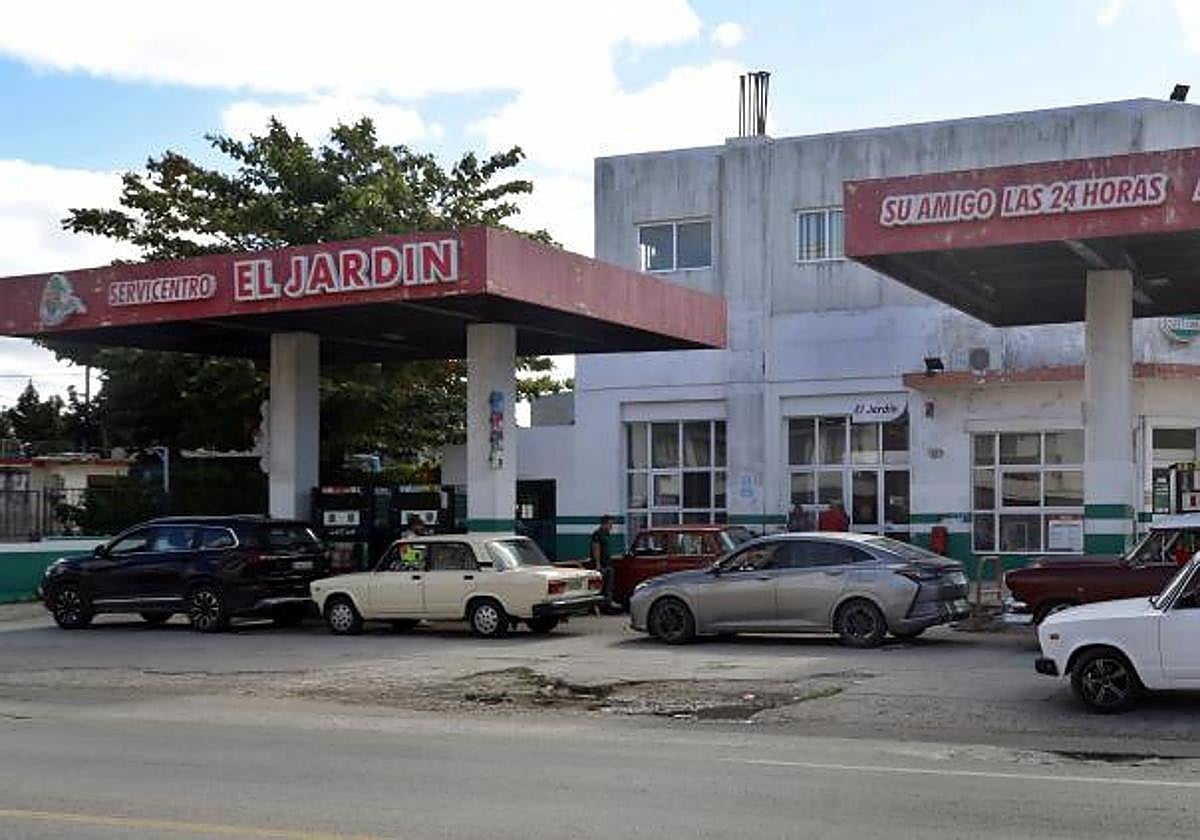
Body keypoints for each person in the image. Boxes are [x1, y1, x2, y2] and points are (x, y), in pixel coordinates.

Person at [590, 515, 620, 613]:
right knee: (599, 588)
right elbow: (596, 549)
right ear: (604, 523)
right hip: (601, 565)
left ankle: (608, 606)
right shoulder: (598, 534)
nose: (611, 526)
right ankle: (597, 608)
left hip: (608, 564)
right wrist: (597, 564)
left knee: (609, 587)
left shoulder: (607, 534)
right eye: (610, 524)